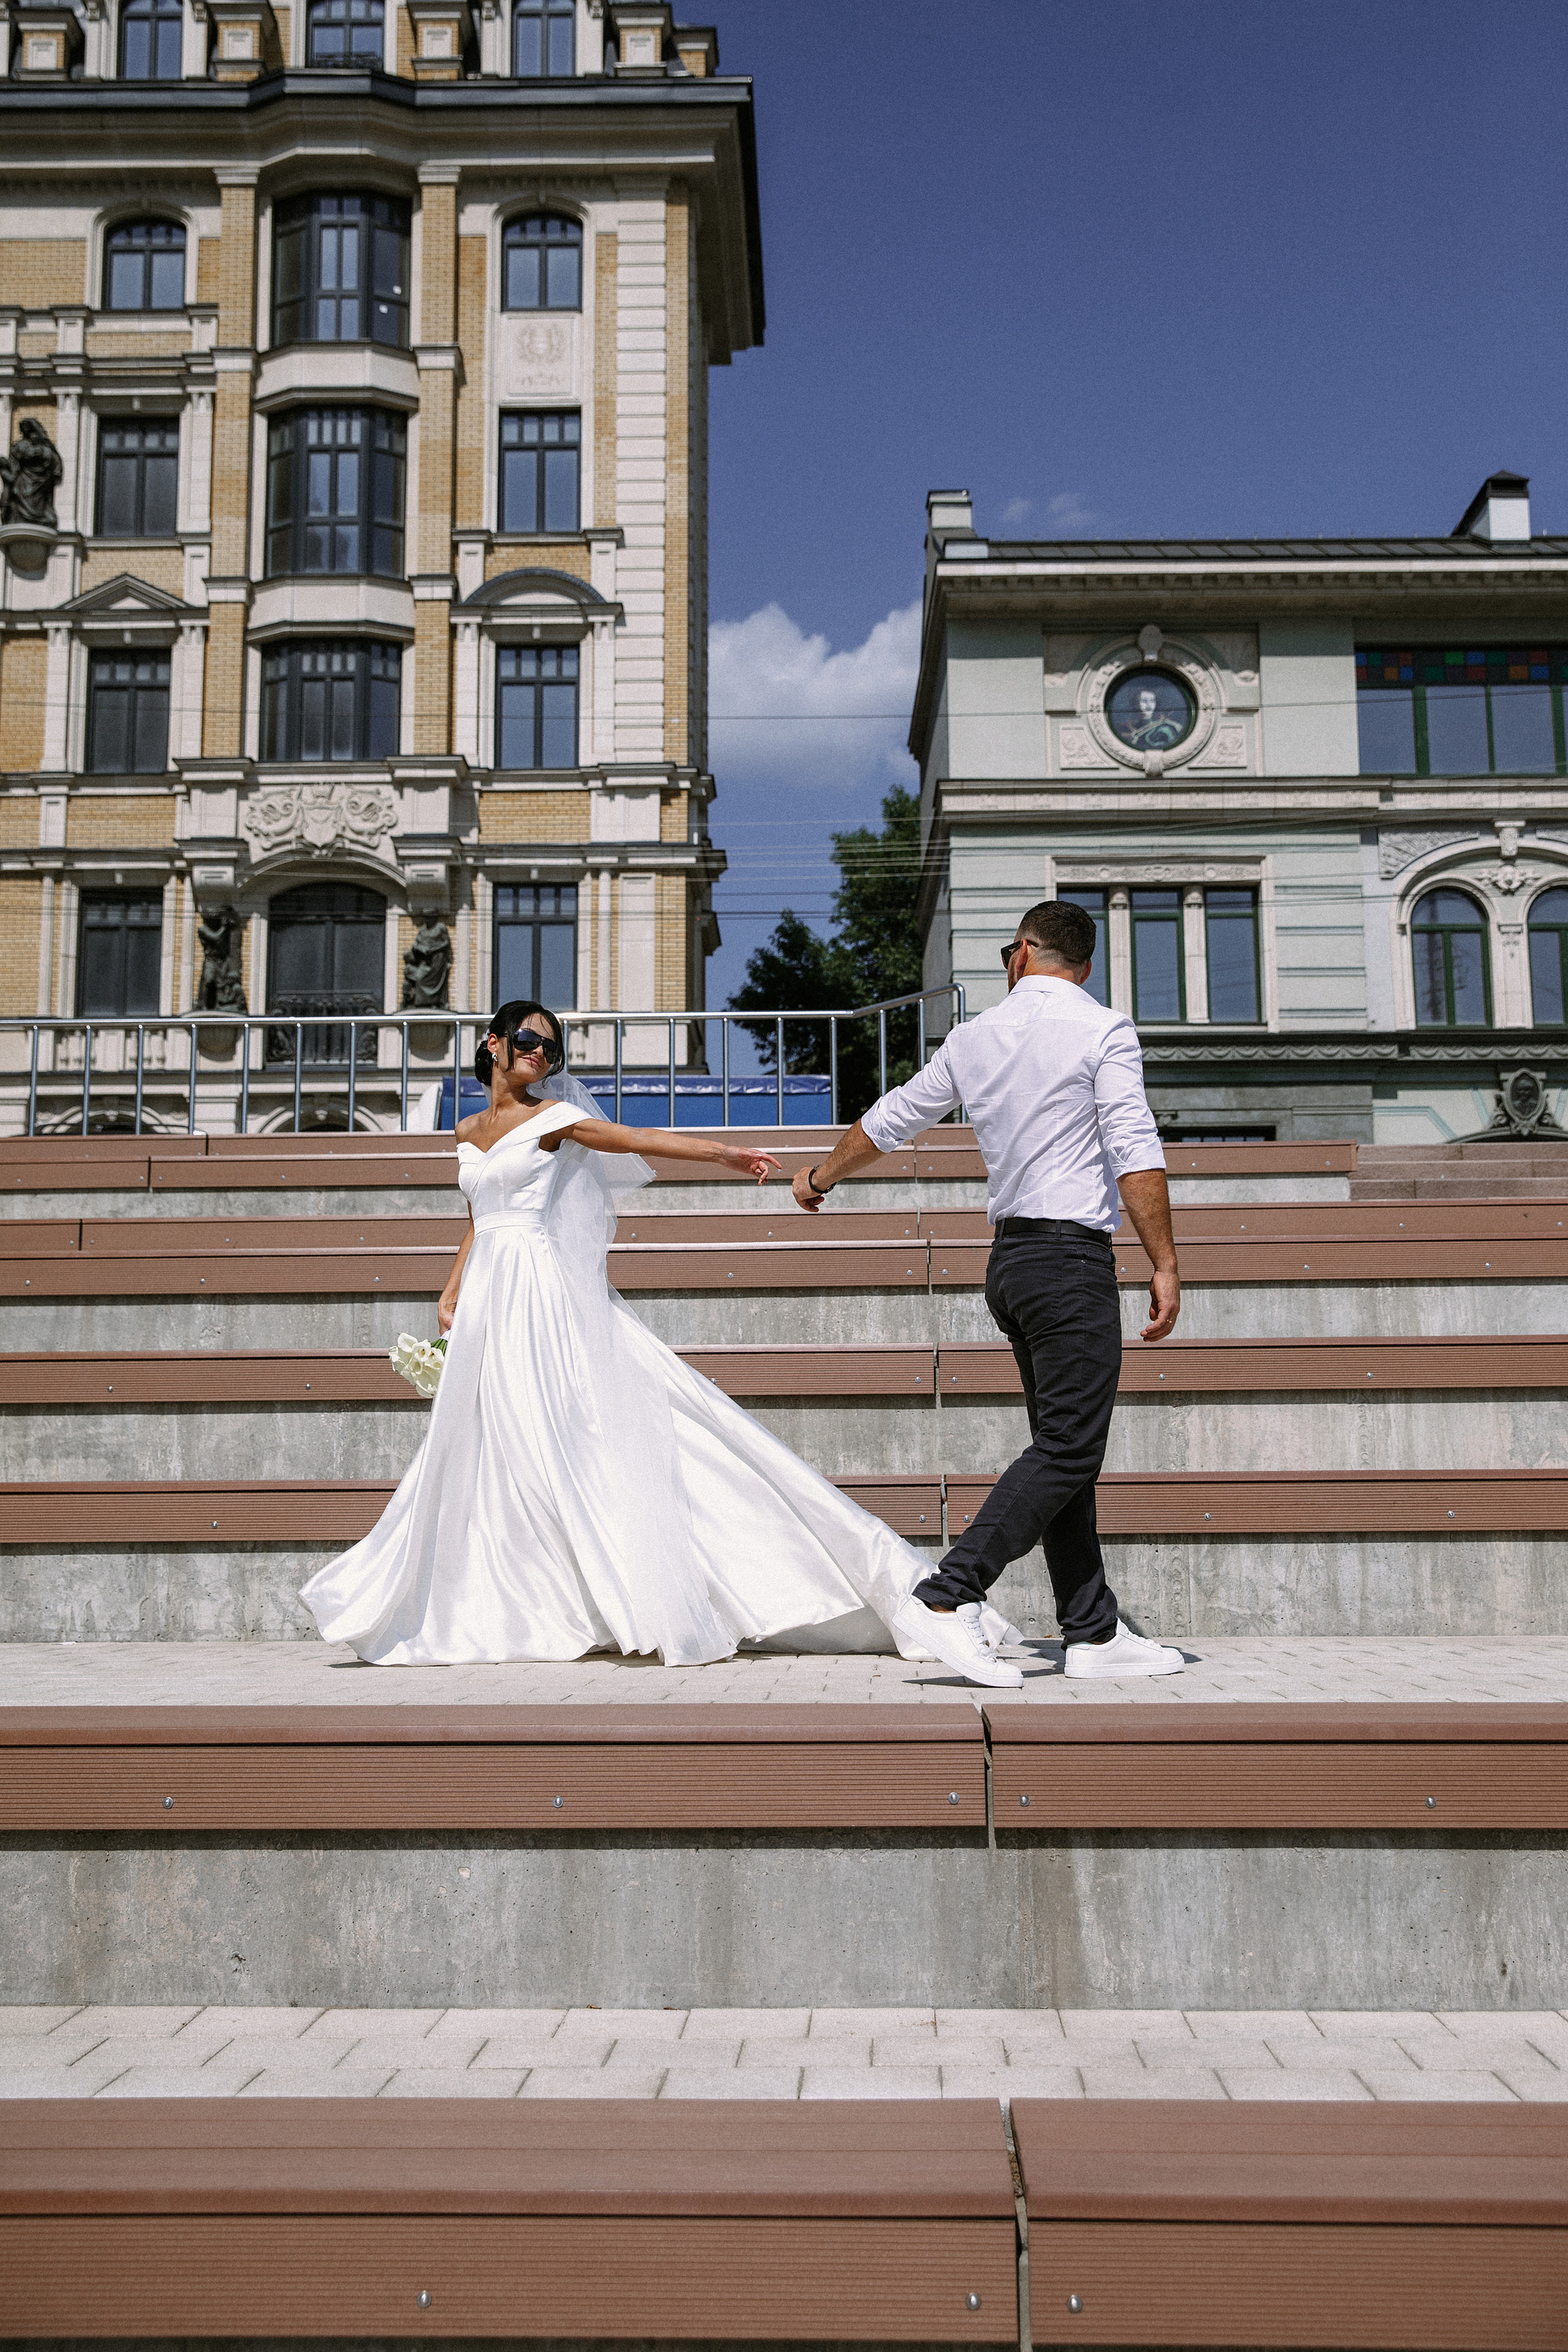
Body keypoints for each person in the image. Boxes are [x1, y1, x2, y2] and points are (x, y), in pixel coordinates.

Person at [300, 999, 1016, 1669]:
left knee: (566, 1432)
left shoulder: (555, 1119)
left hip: (541, 1294)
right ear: (493, 1043)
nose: (540, 1053)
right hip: (490, 1291)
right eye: (527, 1040)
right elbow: (481, 1217)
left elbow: (639, 1138)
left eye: (551, 1048)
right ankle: (522, 1594)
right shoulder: (464, 1131)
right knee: (495, 1438)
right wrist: (453, 1285)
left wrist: (723, 1155)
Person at [792, 898, 1185, 1691]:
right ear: (1084, 966)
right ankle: (950, 1594)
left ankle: (1092, 1631)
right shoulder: (1102, 1029)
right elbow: (1134, 1149)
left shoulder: (975, 1037)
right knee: (1069, 1448)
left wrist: (820, 1177)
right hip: (1070, 1264)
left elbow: (895, 1117)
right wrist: (1165, 1262)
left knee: (1063, 1449)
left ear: (1021, 954)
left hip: (1012, 1265)